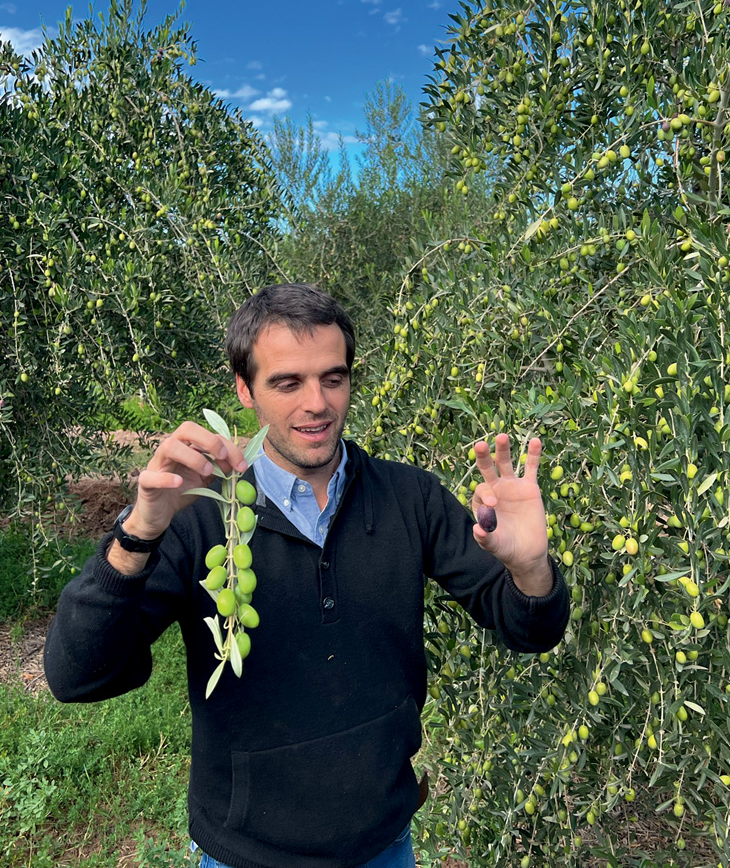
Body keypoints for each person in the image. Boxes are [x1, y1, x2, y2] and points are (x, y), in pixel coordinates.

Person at [44, 283, 569, 868]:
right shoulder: (199, 520)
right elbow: (78, 674)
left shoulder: (409, 497)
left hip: (383, 844)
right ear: (245, 390)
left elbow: (530, 629)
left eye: (333, 378)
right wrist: (138, 533)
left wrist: (529, 568)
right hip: (247, 854)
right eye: (287, 382)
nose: (316, 403)